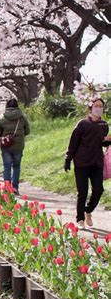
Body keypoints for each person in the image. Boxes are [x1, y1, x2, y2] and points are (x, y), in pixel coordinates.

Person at [64, 97, 110, 229]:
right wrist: (68, 159)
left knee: (99, 190)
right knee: (82, 192)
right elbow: (73, 143)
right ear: (90, 108)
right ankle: (80, 218)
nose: (99, 108)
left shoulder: (104, 125)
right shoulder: (82, 124)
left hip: (96, 162)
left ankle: (88, 210)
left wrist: (107, 141)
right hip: (82, 162)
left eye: (101, 106)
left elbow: (102, 142)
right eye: (96, 106)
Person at [0, 98, 30, 194]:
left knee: (7, 166)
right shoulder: (22, 117)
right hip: (18, 145)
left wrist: (3, 135)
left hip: (6, 146)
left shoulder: (2, 117)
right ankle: (15, 188)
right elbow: (27, 131)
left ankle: (7, 187)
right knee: (16, 166)